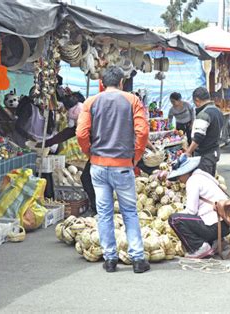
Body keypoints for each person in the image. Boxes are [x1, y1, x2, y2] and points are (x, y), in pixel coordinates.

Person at [76, 66, 150, 273]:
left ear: (102, 82)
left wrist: (89, 154)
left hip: (98, 166)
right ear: (121, 82)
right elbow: (142, 133)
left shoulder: (91, 102)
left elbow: (81, 133)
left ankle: (110, 259)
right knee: (129, 212)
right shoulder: (133, 100)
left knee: (104, 213)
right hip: (123, 166)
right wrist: (135, 156)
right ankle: (137, 259)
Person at [167, 156, 230, 259]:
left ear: (185, 172)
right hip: (225, 224)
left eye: (179, 176)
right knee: (192, 219)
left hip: (214, 225)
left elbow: (191, 211)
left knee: (174, 219)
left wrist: (180, 213)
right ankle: (216, 241)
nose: (179, 180)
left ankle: (199, 246)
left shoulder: (192, 181)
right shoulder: (204, 176)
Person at [184, 87, 224, 177]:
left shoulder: (204, 114)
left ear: (197, 100)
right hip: (214, 152)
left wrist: (189, 151)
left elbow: (198, 137)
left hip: (205, 155)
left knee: (204, 181)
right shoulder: (218, 111)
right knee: (210, 181)